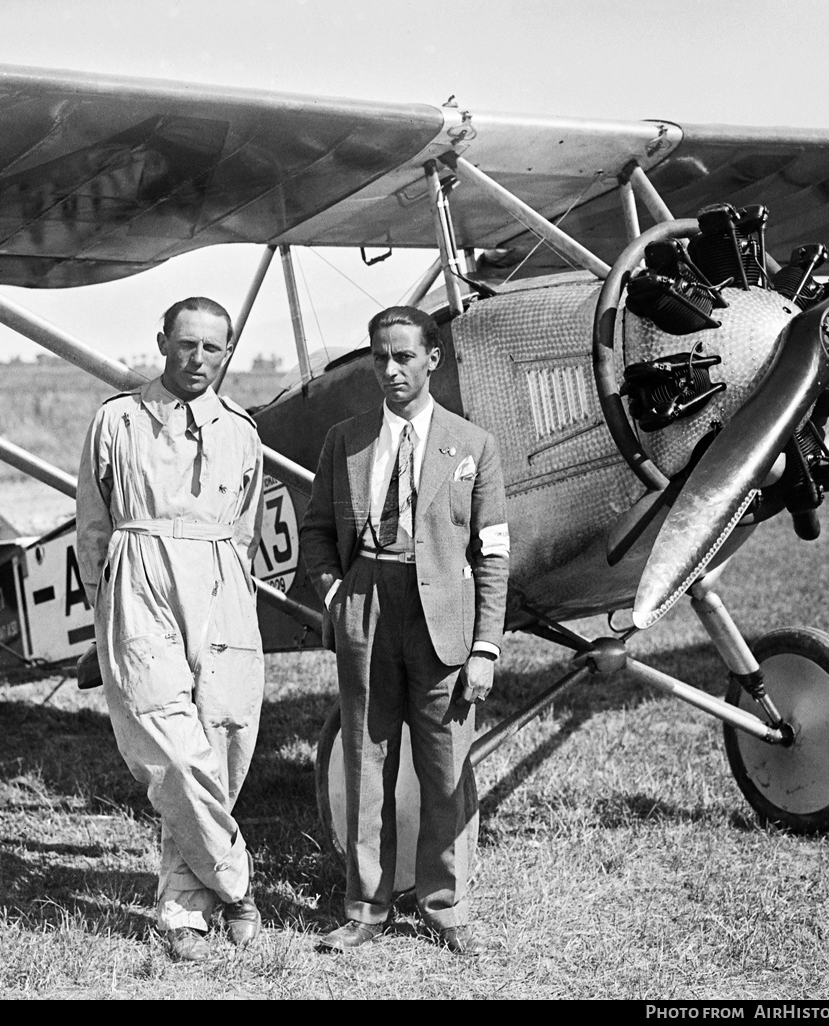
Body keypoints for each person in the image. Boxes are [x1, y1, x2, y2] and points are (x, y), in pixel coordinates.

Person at [300, 305, 509, 957]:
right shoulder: (346, 440)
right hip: (367, 609)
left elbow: (493, 553)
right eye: (380, 357)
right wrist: (337, 596)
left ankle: (445, 907)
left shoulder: (473, 446)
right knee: (366, 764)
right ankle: (366, 908)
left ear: (432, 359)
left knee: (445, 770)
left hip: (443, 623)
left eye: (404, 356)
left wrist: (485, 647)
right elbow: (314, 533)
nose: (390, 370)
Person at [76, 296, 266, 962]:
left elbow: (243, 527)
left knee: (221, 741)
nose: (199, 359)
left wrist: (230, 591)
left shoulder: (242, 429)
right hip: (138, 579)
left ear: (227, 351)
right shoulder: (117, 420)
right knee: (173, 751)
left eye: (213, 348)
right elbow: (92, 527)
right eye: (187, 344)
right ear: (162, 342)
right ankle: (237, 883)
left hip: (219, 581)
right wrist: (109, 609)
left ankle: (184, 912)